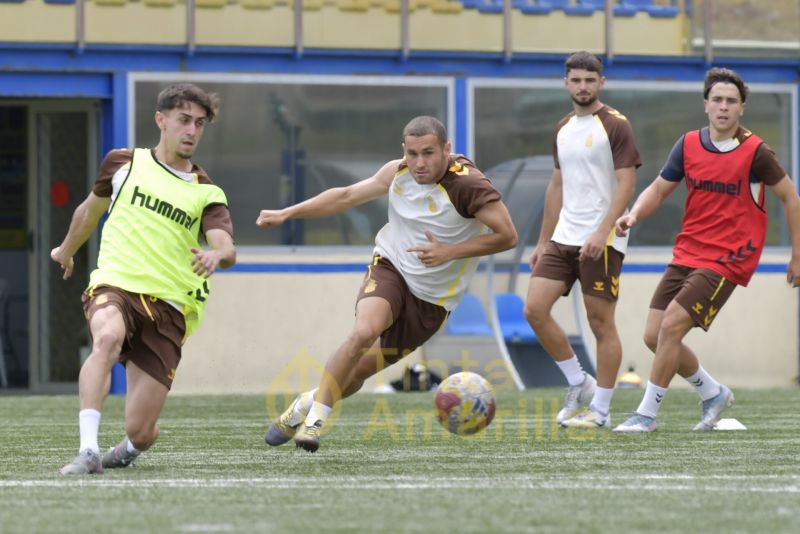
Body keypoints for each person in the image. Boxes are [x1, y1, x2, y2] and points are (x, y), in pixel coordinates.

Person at [256, 116, 518, 452]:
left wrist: (448, 252)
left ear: (447, 150)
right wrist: (286, 213)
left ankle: (306, 403)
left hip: (434, 302)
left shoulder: (469, 186)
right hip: (391, 267)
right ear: (403, 151)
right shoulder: (398, 173)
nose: (419, 163)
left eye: (428, 153)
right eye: (412, 153)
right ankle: (315, 424)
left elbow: (507, 236)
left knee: (355, 374)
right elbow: (346, 196)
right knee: (364, 331)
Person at [52, 83, 236, 473]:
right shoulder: (123, 163)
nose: (192, 130)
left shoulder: (207, 191)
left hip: (170, 307)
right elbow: (90, 210)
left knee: (142, 429)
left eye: (199, 124)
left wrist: (218, 254)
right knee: (106, 338)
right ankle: (87, 450)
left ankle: (130, 448)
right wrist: (66, 249)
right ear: (161, 120)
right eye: (184, 120)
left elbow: (226, 245)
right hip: (116, 283)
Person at [613, 67, 800, 432]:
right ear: (705, 105)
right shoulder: (687, 144)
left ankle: (646, 415)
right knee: (654, 335)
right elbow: (659, 188)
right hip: (688, 252)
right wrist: (633, 214)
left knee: (671, 326)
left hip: (730, 258)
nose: (724, 107)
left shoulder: (756, 152)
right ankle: (712, 393)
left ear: (742, 108)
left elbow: (791, 199)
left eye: (732, 101)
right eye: (717, 100)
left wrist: (797, 254)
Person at [522, 51, 640, 429]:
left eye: (590, 80)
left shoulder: (616, 125)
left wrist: (603, 231)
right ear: (566, 83)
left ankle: (601, 411)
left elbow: (627, 183)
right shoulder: (562, 128)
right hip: (563, 237)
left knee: (600, 323)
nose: (583, 86)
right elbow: (556, 185)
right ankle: (578, 381)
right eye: (576, 80)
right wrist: (542, 242)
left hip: (602, 238)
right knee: (534, 310)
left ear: (601, 83)